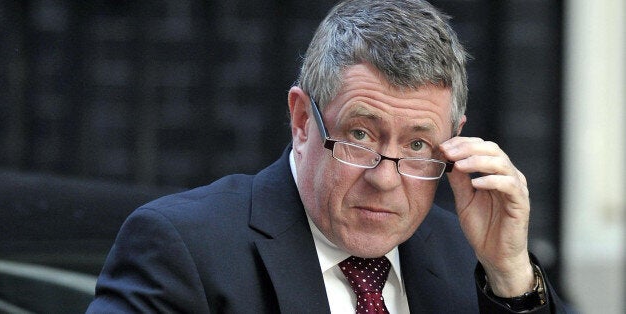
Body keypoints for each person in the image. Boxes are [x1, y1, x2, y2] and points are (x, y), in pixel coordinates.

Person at [87, 0, 567, 313]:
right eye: (360, 135)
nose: (385, 178)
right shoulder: (183, 248)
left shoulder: (468, 256)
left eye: (418, 145)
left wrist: (509, 275)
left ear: (456, 142)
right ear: (301, 121)